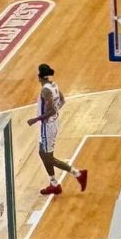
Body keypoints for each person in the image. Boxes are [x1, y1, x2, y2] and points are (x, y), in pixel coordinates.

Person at [27, 64, 87, 197]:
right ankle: (54, 183)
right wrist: (54, 113)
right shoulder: (53, 85)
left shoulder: (45, 91)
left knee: (49, 158)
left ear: (39, 76)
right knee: (42, 153)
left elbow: (51, 110)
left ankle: (78, 174)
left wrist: (35, 119)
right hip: (51, 124)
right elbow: (62, 101)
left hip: (47, 127)